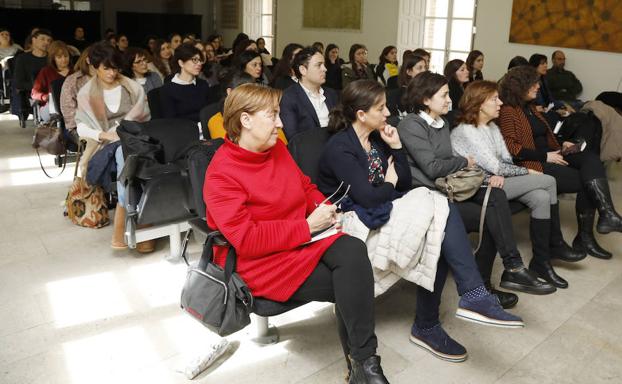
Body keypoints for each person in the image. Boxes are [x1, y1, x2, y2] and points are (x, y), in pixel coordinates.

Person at [319, 79, 523, 364]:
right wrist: (389, 183)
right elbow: (368, 198)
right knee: (437, 214)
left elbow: (402, 178)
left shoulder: (377, 139)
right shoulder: (340, 148)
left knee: (438, 219)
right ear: (362, 115)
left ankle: (456, 305)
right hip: (355, 218)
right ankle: (450, 309)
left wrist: (397, 146)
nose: (388, 112)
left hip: (385, 205)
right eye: (381, 108)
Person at [204, 83, 390, 384]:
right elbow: (247, 240)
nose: (280, 123)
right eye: (273, 115)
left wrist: (324, 207)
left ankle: (365, 365)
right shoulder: (221, 173)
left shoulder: (275, 147)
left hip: (301, 239)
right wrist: (307, 226)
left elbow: (304, 186)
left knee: (353, 251)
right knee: (350, 280)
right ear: (245, 120)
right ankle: (364, 367)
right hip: (261, 262)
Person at [397, 72, 556, 306]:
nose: (450, 100)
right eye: (444, 95)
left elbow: (449, 162)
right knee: (491, 212)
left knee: (496, 197)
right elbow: (432, 168)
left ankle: (509, 268)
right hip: (433, 191)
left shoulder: (441, 123)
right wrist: (465, 162)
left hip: (453, 183)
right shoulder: (411, 124)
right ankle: (493, 280)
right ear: (425, 99)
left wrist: (480, 174)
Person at [451, 80, 585, 289]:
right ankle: (554, 245)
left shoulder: (492, 127)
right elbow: (497, 166)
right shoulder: (466, 131)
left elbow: (506, 161)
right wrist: (526, 171)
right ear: (478, 103)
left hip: (499, 180)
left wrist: (506, 172)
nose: (500, 103)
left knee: (541, 197)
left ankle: (541, 261)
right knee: (548, 180)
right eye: (494, 99)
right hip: (480, 186)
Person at [498, 65, 620, 262]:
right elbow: (513, 149)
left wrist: (561, 143)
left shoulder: (529, 108)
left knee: (591, 159)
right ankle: (585, 237)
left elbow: (543, 135)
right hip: (533, 161)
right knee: (587, 182)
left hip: (551, 152)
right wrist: (546, 157)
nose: (538, 86)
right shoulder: (508, 111)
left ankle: (607, 214)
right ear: (520, 86)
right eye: (534, 83)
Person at [74, 43, 150, 250]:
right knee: (122, 154)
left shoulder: (132, 88)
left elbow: (144, 118)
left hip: (133, 138)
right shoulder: (86, 93)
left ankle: (123, 220)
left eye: (115, 68)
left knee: (126, 153)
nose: (112, 72)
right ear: (95, 66)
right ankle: (139, 223)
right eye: (106, 68)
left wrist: (122, 132)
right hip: (103, 144)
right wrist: (103, 134)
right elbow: (80, 126)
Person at [279, 47, 338, 140]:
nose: (325, 69)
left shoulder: (332, 94)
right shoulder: (289, 97)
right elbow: (293, 138)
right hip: (307, 151)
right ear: (303, 70)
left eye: (324, 65)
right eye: (319, 65)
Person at [159, 43, 214, 122]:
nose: (199, 64)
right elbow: (171, 121)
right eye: (194, 60)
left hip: (205, 128)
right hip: (184, 131)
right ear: (181, 63)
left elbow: (210, 112)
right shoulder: (167, 90)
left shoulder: (203, 84)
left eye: (200, 60)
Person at [13, 29, 52, 126]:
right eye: (42, 39)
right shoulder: (22, 59)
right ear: (33, 40)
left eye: (48, 40)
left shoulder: (52, 59)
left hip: (52, 92)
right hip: (32, 94)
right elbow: (19, 82)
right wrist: (38, 88)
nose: (46, 42)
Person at [31, 40, 73, 121]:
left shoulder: (74, 71)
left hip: (71, 105)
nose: (64, 60)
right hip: (51, 106)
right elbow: (34, 93)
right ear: (53, 58)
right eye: (59, 57)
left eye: (66, 56)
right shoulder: (46, 71)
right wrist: (45, 97)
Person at [60, 47, 93, 135]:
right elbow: (69, 112)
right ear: (88, 60)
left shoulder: (114, 80)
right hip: (80, 126)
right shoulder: (73, 81)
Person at [386, 54, 426, 118]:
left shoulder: (425, 91)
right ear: (409, 72)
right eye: (420, 68)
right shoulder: (403, 94)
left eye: (425, 67)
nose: (424, 71)